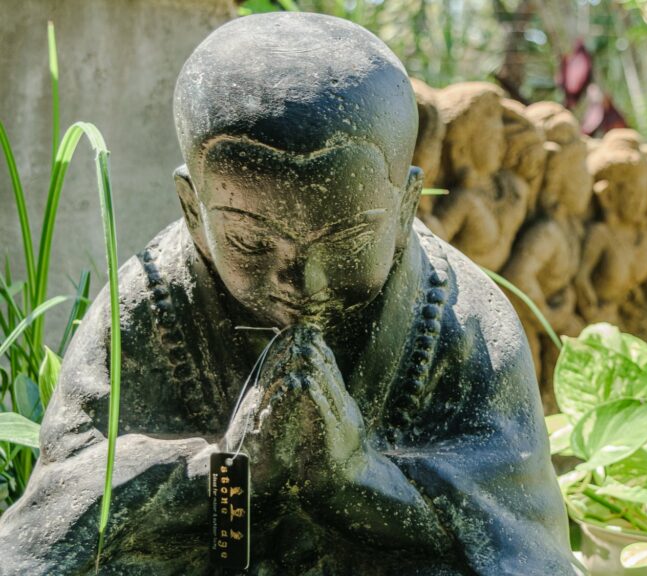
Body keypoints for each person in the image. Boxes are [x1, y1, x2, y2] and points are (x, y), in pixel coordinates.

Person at [0, 13, 574, 575]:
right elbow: (52, 524)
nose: (303, 281)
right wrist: (229, 472)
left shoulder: (462, 321)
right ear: (192, 210)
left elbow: (521, 538)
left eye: (347, 238)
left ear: (405, 207)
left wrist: (354, 478)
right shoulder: (148, 307)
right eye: (250, 241)